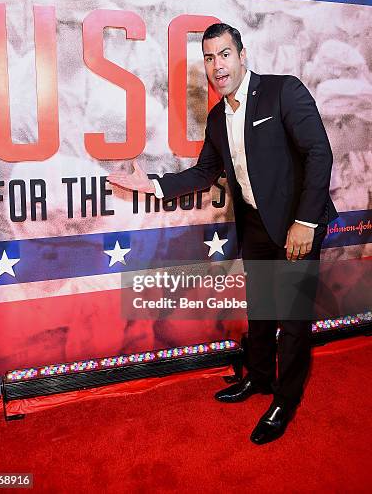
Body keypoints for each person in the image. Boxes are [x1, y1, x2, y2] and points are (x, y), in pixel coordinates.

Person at [108, 23, 337, 445]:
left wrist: (305, 223)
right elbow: (204, 172)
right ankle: (261, 379)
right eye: (209, 58)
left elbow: (319, 152)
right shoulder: (217, 117)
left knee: (293, 317)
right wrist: (152, 185)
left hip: (295, 225)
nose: (217, 66)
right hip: (253, 224)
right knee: (263, 310)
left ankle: (285, 401)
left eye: (225, 54)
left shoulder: (283, 90)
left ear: (242, 54)